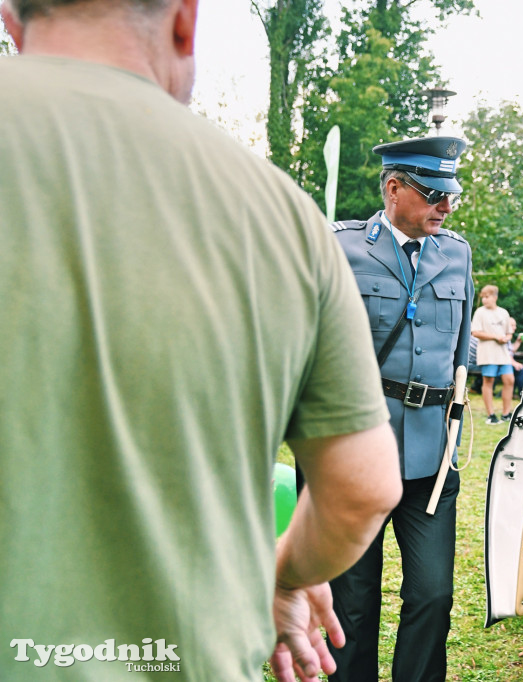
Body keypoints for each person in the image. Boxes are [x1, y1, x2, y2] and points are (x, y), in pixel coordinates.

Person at [0, 2, 402, 681]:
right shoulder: (282, 218)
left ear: (13, 21)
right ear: (185, 21)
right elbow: (361, 489)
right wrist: (279, 576)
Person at [329, 135, 473, 681]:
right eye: (435, 193)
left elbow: (461, 348)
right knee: (355, 602)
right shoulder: (339, 246)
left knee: (434, 595)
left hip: (431, 461)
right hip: (357, 455)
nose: (446, 206)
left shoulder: (456, 252)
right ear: (394, 188)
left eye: (451, 194)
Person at [472, 284, 516, 424]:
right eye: (483, 297)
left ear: (495, 297)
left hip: (503, 354)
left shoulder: (503, 312)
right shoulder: (480, 312)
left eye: (487, 296)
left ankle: (506, 413)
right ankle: (491, 415)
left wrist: (506, 338)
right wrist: (496, 337)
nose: (484, 299)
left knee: (509, 380)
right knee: (488, 381)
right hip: (487, 353)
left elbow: (509, 333)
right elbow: (476, 332)